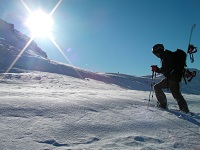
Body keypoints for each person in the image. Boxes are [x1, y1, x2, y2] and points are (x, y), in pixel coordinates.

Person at [151, 44, 189, 113]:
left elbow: (166, 69)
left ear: (159, 50)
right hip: (176, 78)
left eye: (155, 53)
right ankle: (185, 110)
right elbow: (167, 68)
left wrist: (157, 69)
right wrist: (158, 69)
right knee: (177, 95)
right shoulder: (168, 55)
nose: (156, 55)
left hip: (172, 78)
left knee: (157, 87)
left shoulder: (166, 56)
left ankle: (163, 105)